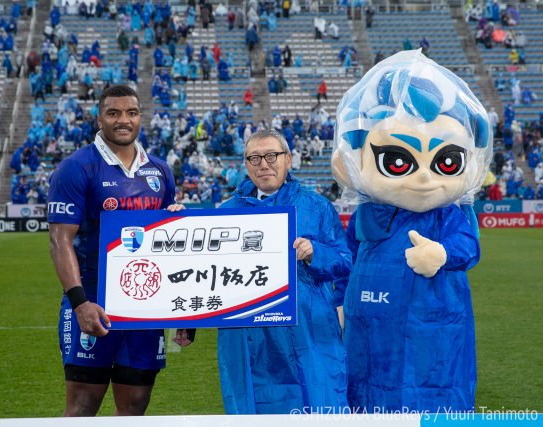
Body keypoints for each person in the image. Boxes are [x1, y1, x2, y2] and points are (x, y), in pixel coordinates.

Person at [332, 50, 492, 412]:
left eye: (446, 161)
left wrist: (442, 253)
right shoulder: (367, 216)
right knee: (369, 390)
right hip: (370, 324)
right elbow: (346, 262)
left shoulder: (448, 215)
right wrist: (339, 302)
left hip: (434, 321)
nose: (423, 178)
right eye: (397, 160)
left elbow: (468, 245)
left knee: (435, 387)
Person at [47, 85, 191, 417]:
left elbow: (168, 243)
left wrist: (183, 313)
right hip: (94, 301)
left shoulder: (160, 171)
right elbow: (59, 241)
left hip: (145, 307)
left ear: (140, 117)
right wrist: (80, 303)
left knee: (135, 407)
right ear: (99, 118)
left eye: (131, 113)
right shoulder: (76, 167)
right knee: (82, 407)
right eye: (113, 113)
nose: (123, 120)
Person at [217, 129, 352, 414]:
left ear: (288, 159)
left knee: (316, 404)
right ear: (245, 164)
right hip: (247, 333)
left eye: (271, 156)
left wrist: (315, 253)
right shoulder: (226, 211)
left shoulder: (316, 206)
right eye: (254, 158)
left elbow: (344, 261)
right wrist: (178, 220)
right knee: (255, 408)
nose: (263, 164)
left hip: (307, 329)